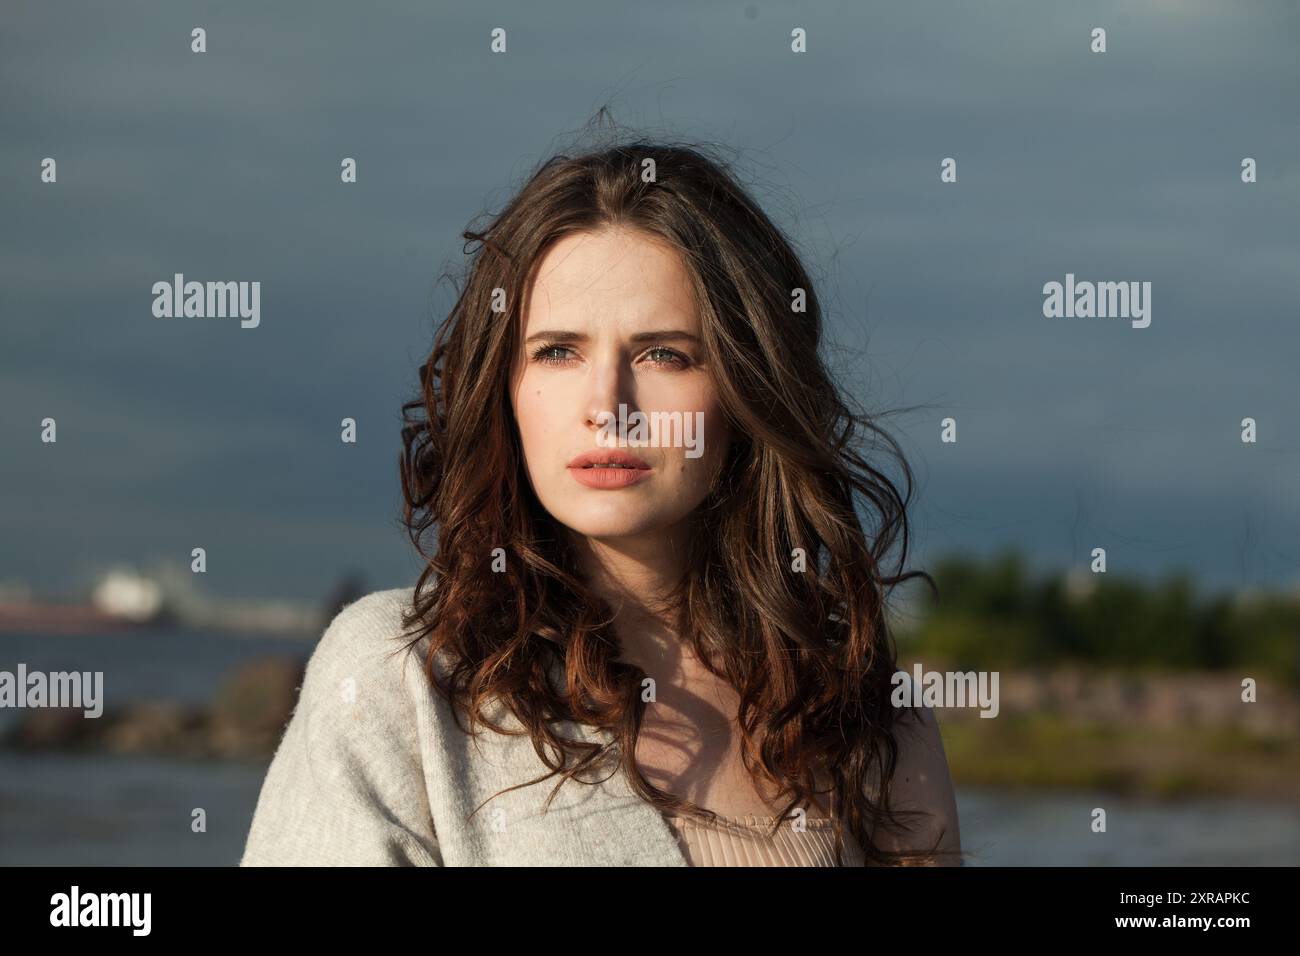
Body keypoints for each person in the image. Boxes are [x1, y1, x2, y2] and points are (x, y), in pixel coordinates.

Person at [241, 135, 962, 867]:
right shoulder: (403, 680)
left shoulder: (871, 721)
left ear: (749, 394)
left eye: (665, 354)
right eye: (557, 351)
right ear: (505, 390)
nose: (607, 406)